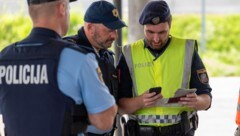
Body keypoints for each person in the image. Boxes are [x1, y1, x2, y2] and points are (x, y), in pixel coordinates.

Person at [0, 0, 117, 136]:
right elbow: (105, 121)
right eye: (69, 6)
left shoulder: (5, 57)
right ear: (62, 8)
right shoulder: (77, 58)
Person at [117, 0, 212, 136]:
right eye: (150, 32)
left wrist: (197, 101)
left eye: (162, 32)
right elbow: (119, 107)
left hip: (180, 131)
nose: (156, 39)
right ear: (143, 27)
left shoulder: (187, 50)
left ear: (170, 26)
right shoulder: (129, 54)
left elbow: (207, 99)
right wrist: (140, 101)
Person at [64, 1, 126, 136]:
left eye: (116, 30)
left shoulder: (107, 56)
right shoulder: (67, 52)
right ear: (90, 27)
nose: (115, 35)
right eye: (109, 30)